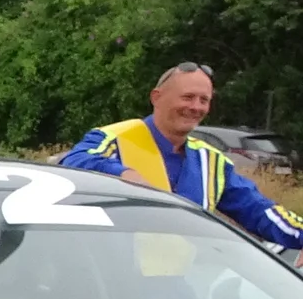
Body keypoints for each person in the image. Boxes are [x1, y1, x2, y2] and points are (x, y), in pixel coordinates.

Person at [58, 63, 303, 250]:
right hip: (108, 286)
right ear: (156, 97)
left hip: (180, 294)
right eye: (187, 97)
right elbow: (73, 164)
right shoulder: (114, 138)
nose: (196, 107)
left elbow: (260, 212)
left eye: (204, 100)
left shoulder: (210, 162)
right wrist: (123, 175)